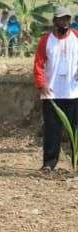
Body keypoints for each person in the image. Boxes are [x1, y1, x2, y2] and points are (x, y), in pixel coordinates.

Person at [35, 7, 78, 172]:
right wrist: (42, 84)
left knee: (76, 130)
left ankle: (76, 164)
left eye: (67, 19)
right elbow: (38, 65)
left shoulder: (76, 37)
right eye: (61, 19)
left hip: (74, 92)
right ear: (54, 21)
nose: (64, 22)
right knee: (52, 131)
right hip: (51, 93)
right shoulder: (46, 40)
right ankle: (49, 164)